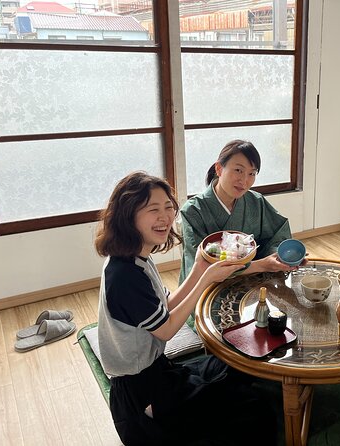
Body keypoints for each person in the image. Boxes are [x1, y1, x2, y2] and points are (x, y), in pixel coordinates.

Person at [94, 171, 276, 445]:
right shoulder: (124, 275)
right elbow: (165, 329)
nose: (165, 217)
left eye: (168, 207)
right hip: (139, 394)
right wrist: (206, 279)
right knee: (252, 411)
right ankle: (163, 416)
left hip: (158, 371)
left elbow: (167, 304)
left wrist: (200, 267)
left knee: (233, 362)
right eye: (153, 209)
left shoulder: (137, 258)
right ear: (128, 214)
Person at [179, 139, 295, 283]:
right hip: (207, 288)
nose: (244, 180)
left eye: (252, 174)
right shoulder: (193, 210)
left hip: (252, 281)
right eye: (238, 170)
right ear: (219, 169)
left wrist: (279, 255)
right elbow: (200, 267)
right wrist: (260, 265)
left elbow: (278, 235)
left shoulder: (256, 201)